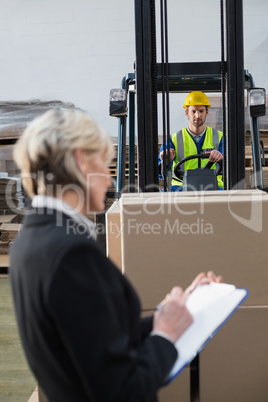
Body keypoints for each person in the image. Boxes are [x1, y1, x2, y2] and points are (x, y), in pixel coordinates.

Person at [9, 109, 222, 402]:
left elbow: (95, 338)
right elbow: (122, 390)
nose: (110, 180)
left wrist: (177, 313)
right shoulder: (72, 253)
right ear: (81, 160)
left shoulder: (29, 240)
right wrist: (164, 336)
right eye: (104, 163)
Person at [159, 91, 223, 191]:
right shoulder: (173, 139)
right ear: (187, 113)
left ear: (207, 112)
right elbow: (161, 172)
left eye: (201, 111)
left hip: (212, 185)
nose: (197, 116)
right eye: (193, 111)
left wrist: (220, 157)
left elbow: (230, 164)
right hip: (181, 187)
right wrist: (165, 161)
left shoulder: (219, 137)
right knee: (164, 195)